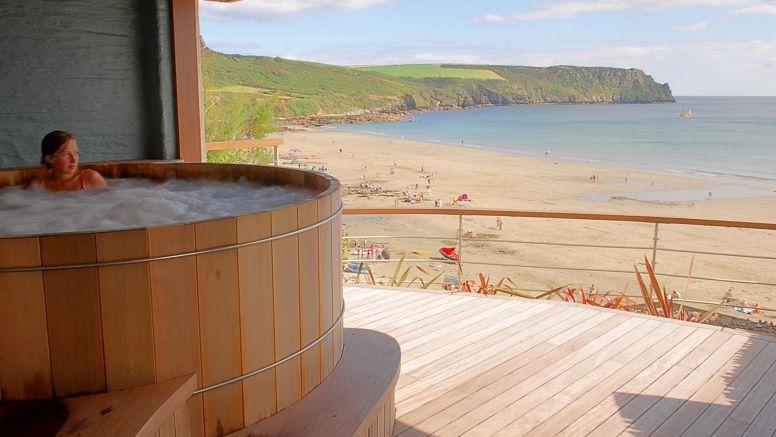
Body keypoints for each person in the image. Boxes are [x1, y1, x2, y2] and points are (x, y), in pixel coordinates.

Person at [27, 130, 107, 192]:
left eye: (76, 153)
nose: (74, 159)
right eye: (66, 154)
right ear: (50, 159)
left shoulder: (89, 178)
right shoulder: (38, 186)